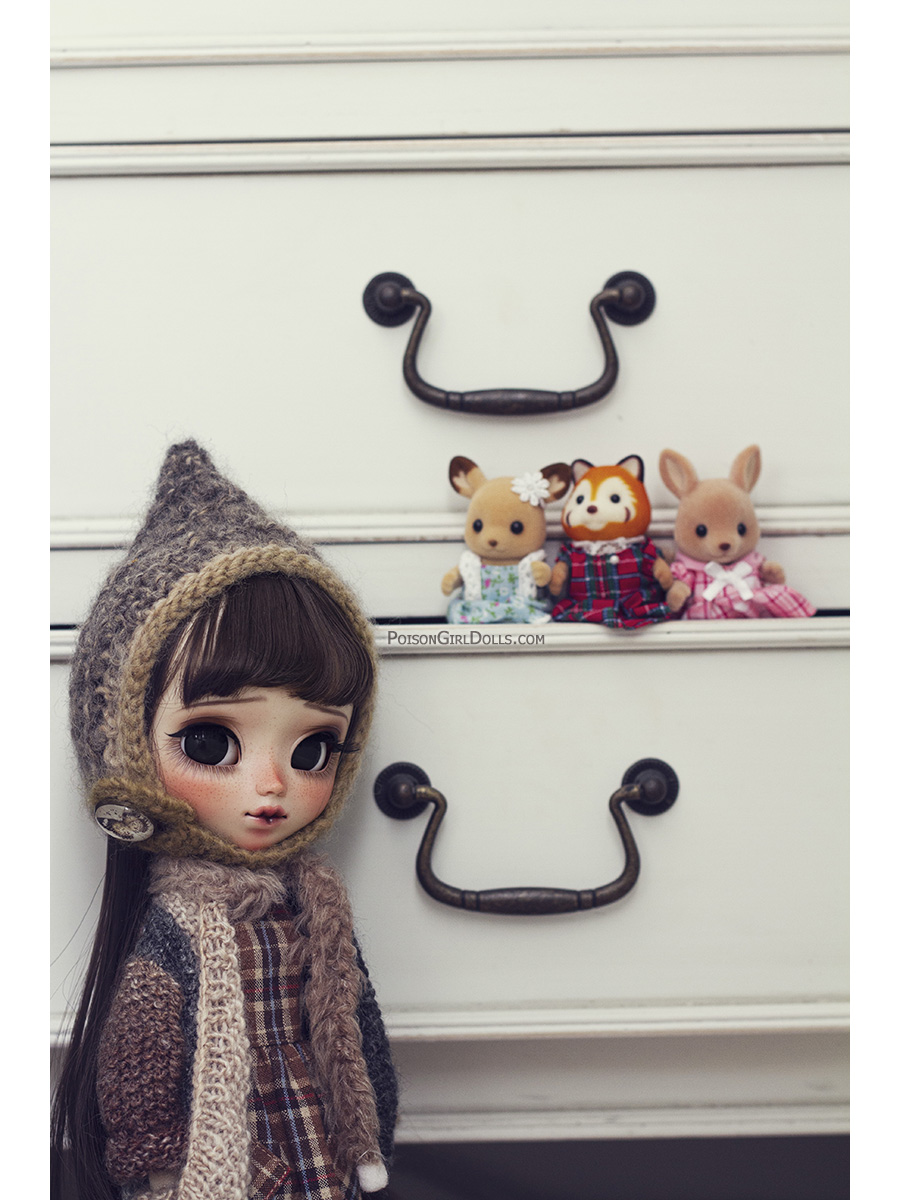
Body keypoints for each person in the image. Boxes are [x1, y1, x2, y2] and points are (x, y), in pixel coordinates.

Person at [51, 441, 397, 1200]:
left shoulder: (315, 907)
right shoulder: (171, 931)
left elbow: (352, 1024)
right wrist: (152, 1156)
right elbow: (140, 1045)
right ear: (125, 750)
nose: (272, 786)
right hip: (224, 1154)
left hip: (314, 1134)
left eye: (314, 749)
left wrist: (373, 1127)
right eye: (211, 743)